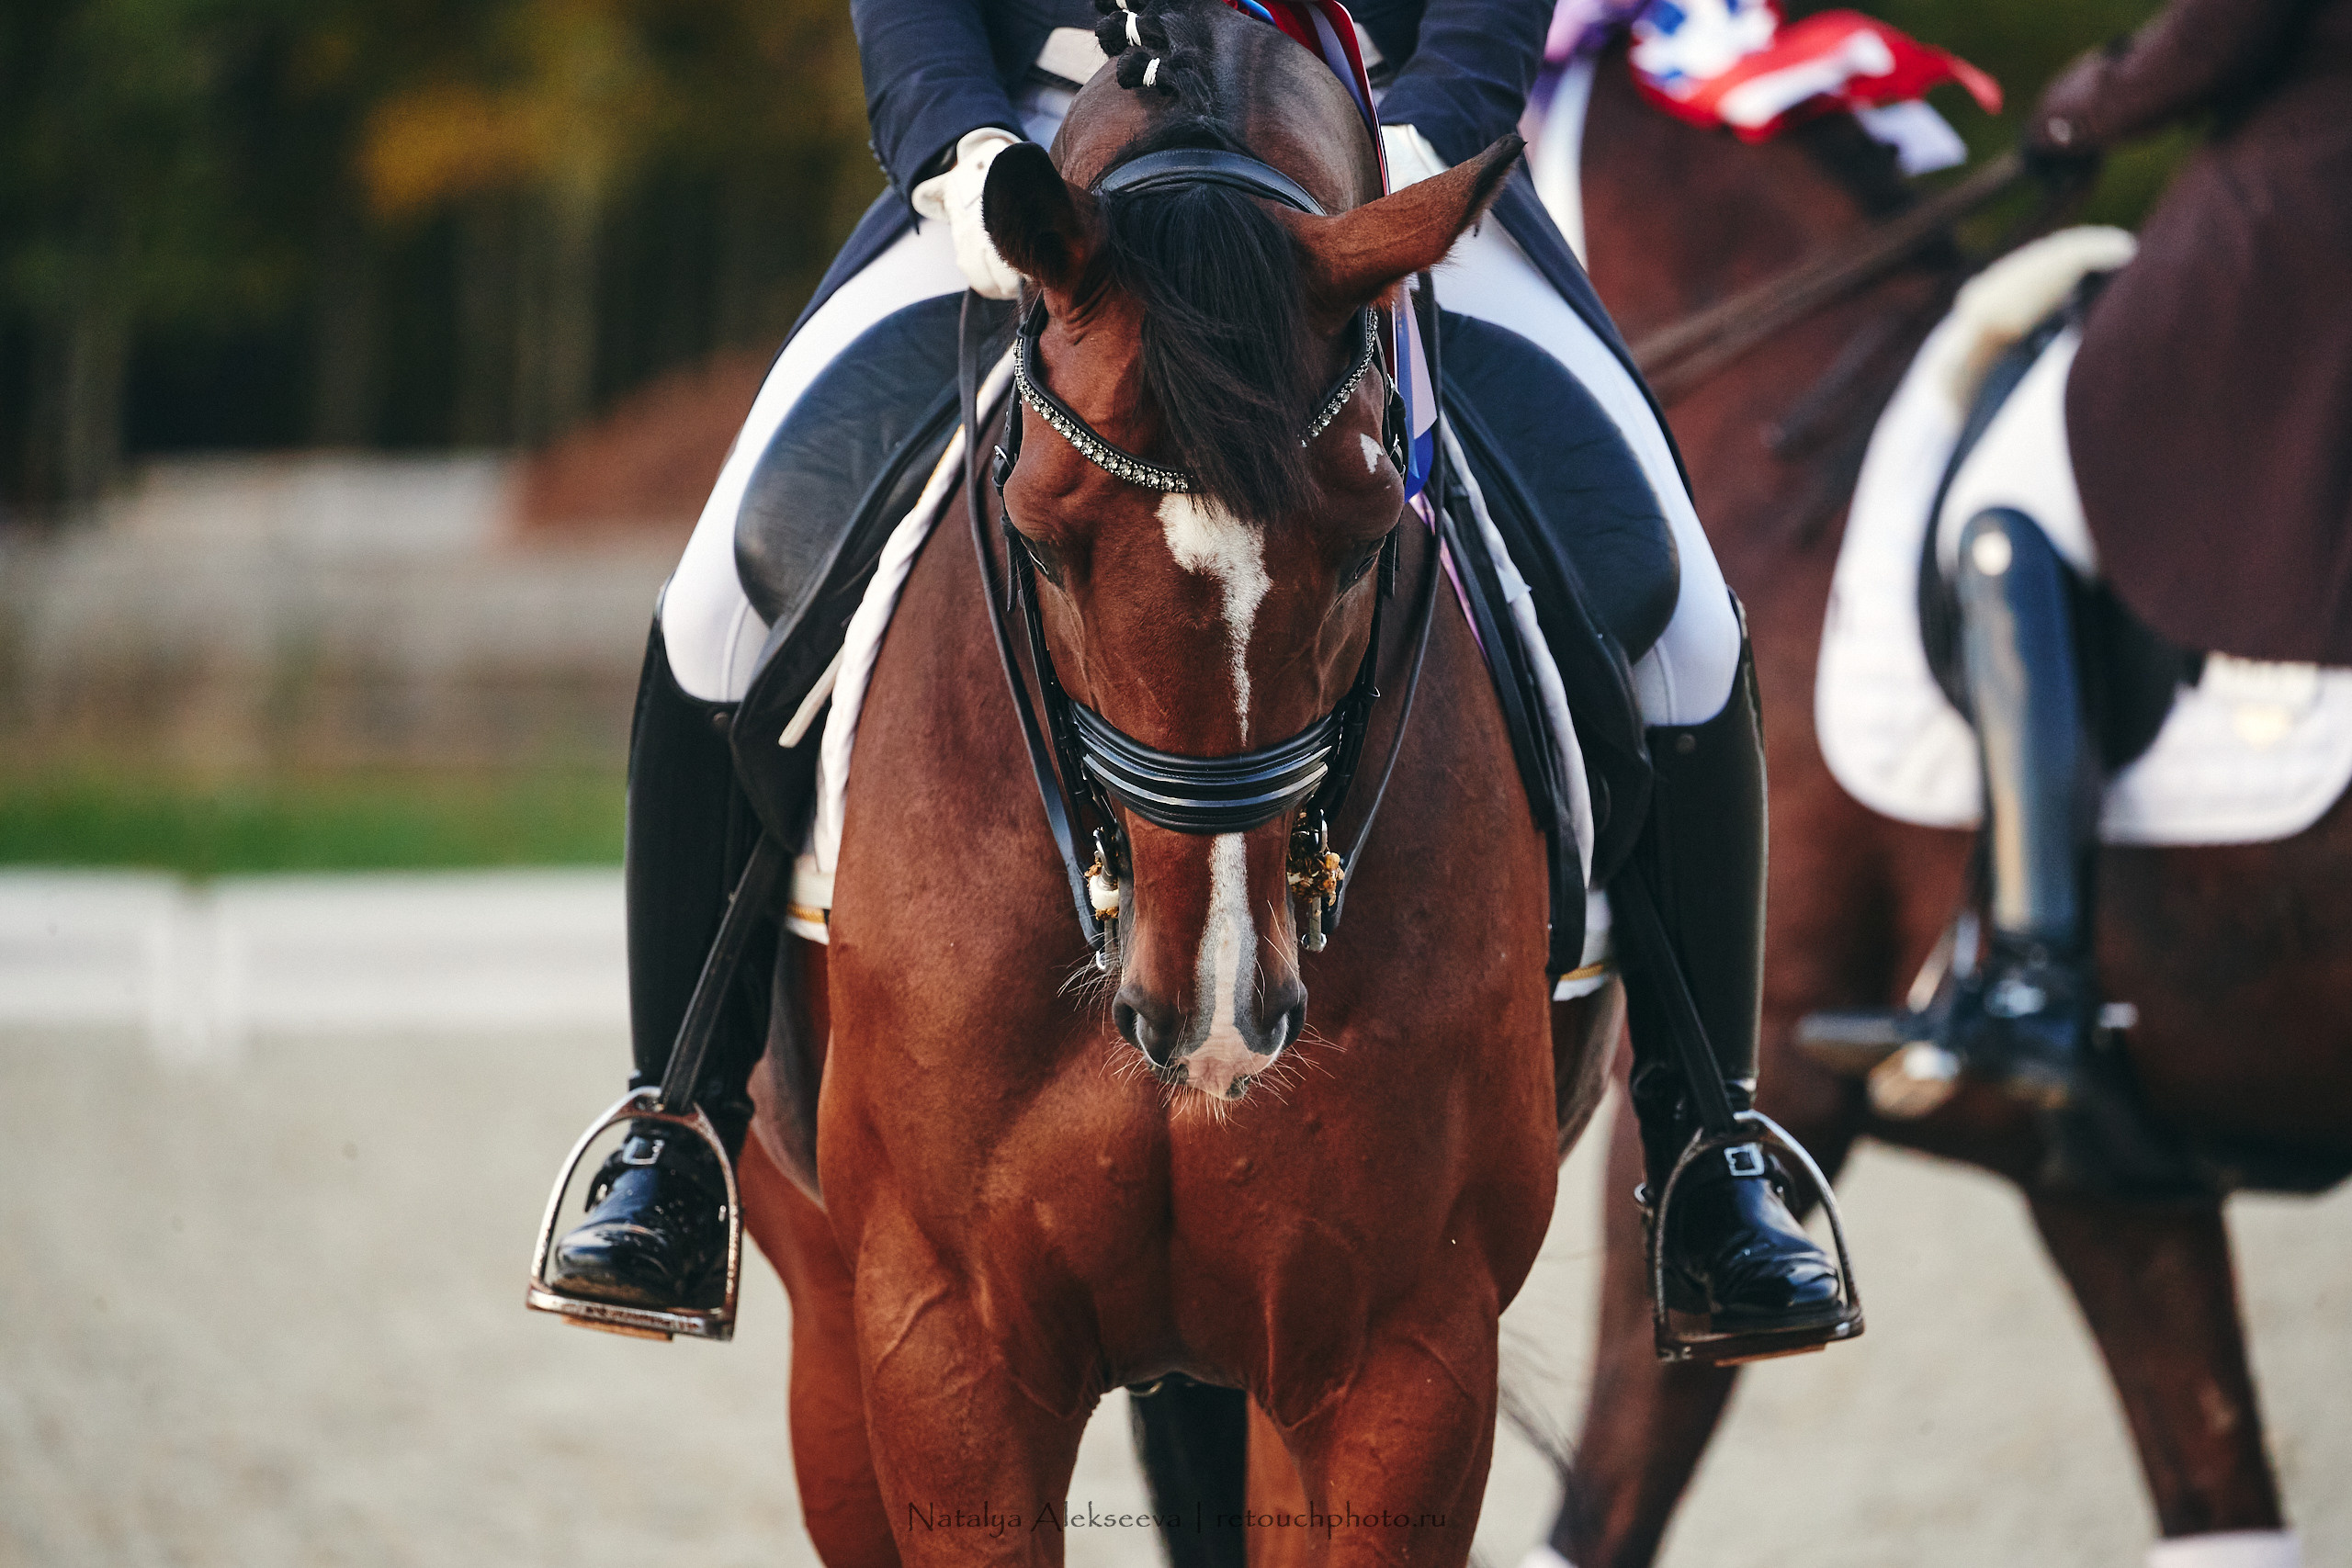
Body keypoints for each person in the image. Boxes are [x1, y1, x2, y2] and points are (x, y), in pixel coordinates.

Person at [542, 0, 1847, 1351]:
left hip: (1363, 154)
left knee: (1683, 609)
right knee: (717, 604)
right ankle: (679, 1121)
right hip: (1044, 164)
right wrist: (969, 151)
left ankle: (1710, 1147)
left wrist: (1416, 138)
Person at [1936, 0, 2352, 1110]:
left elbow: (2221, 33)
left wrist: (2078, 110)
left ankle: (2036, 966)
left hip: (2299, 227)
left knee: (2005, 511)